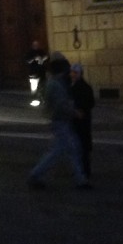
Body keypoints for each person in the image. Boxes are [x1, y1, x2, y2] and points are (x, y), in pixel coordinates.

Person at [27, 54, 91, 190]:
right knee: (61, 151)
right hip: (60, 121)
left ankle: (80, 179)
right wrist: (74, 112)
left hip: (61, 120)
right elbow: (61, 104)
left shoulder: (54, 82)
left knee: (71, 149)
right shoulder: (55, 84)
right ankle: (36, 175)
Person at [69, 62, 95, 179]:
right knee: (82, 147)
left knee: (81, 147)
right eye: (72, 72)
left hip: (81, 120)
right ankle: (83, 171)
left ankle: (83, 172)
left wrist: (79, 110)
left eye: (75, 73)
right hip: (81, 120)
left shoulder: (80, 87)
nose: (72, 75)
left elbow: (89, 103)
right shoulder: (77, 86)